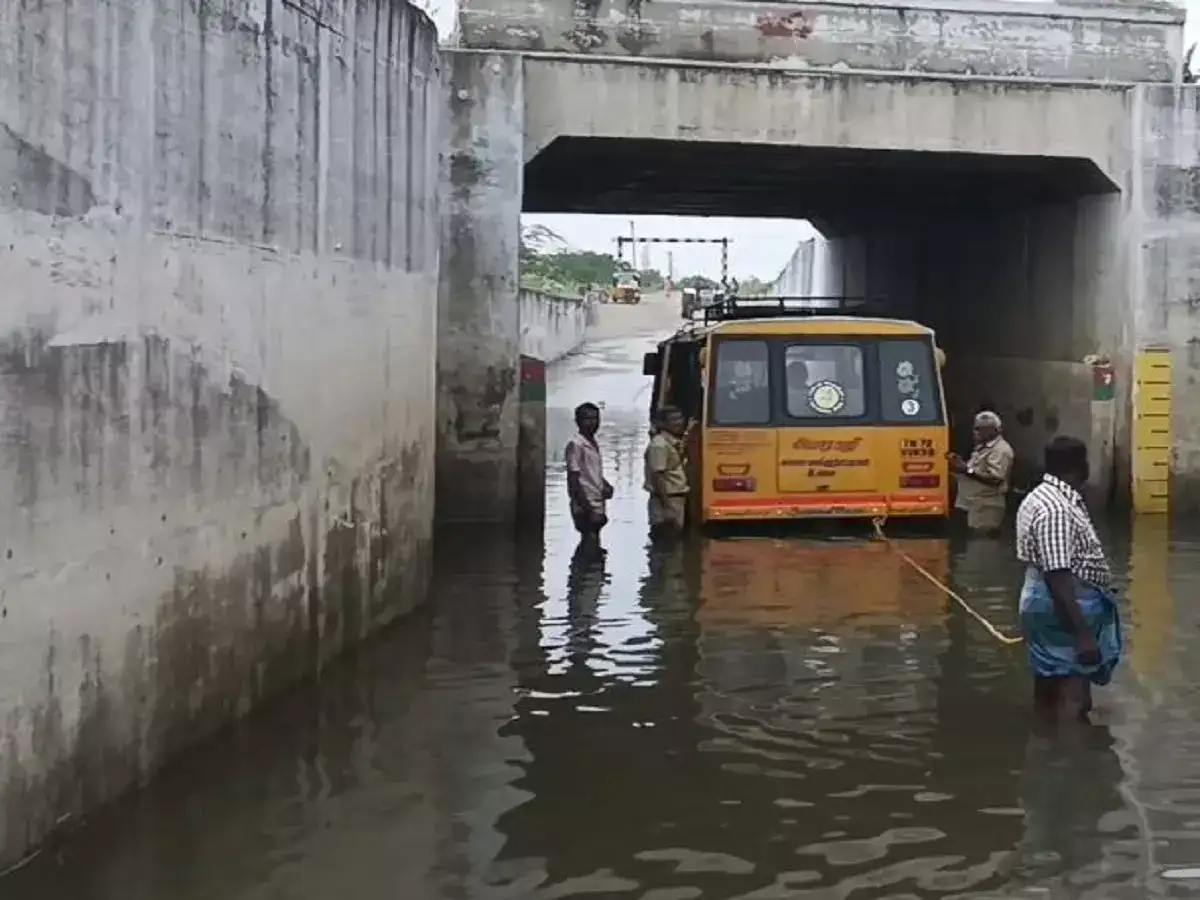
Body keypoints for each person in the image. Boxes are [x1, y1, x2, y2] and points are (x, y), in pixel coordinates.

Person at [1015, 436, 1122, 722]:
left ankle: (1045, 745)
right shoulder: (1056, 509)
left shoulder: (1044, 497)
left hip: (1049, 599)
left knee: (1049, 680)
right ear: (1078, 468)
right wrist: (1084, 635)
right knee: (1074, 694)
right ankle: (1072, 758)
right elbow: (1058, 574)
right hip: (1060, 603)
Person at [949, 410, 1014, 536]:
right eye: (975, 428)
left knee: (982, 548)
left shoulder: (1000, 450)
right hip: (972, 506)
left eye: (979, 429)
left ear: (993, 430)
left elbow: (996, 479)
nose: (975, 432)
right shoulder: (982, 447)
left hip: (986, 507)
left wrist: (967, 470)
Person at [565, 402, 613, 539]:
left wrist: (605, 484)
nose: (592, 423)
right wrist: (588, 509)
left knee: (593, 543)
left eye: (595, 419)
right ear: (578, 421)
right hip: (585, 505)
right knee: (589, 544)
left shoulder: (592, 442)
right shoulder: (576, 444)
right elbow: (573, 479)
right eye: (587, 419)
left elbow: (590, 472)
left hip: (597, 501)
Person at [645, 406, 689, 534]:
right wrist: (667, 507)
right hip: (666, 499)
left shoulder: (673, 442)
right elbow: (658, 477)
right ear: (662, 424)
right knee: (666, 544)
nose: (679, 422)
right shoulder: (659, 445)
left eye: (680, 418)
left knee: (673, 545)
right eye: (673, 419)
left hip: (674, 499)